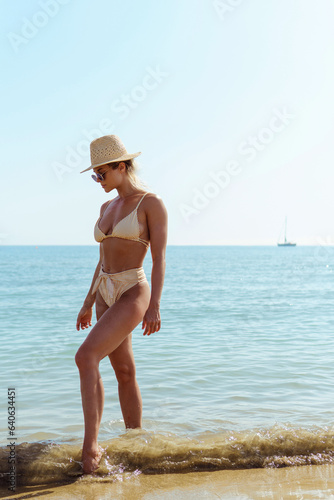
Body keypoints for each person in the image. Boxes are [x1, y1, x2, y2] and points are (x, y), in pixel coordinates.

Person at [75, 135, 167, 474]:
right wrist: (87, 303)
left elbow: (158, 258)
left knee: (86, 357)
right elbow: (101, 261)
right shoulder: (106, 208)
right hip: (105, 291)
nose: (98, 180)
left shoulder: (150, 203)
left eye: (102, 173)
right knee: (123, 370)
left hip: (133, 290)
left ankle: (90, 449)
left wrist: (154, 305)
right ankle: (136, 443)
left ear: (121, 166)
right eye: (94, 175)